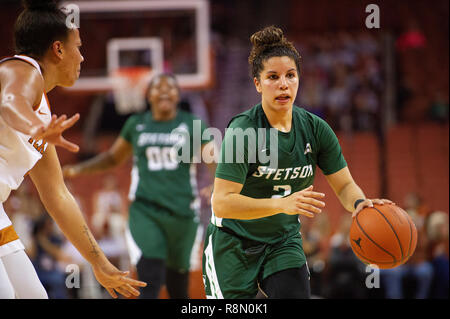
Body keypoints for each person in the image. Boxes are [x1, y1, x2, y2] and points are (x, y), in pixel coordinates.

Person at [202, 26, 393, 299]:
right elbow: (222, 203)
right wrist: (282, 204)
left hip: (283, 241)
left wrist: (361, 205)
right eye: (273, 77)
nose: (283, 84)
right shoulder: (242, 131)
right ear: (257, 83)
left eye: (290, 75)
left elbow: (344, 185)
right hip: (234, 243)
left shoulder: (316, 129)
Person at [0, 0, 146, 299]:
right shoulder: (22, 71)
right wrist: (36, 129)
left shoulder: (40, 108)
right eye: (78, 46)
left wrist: (99, 263)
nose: (81, 57)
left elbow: (58, 196)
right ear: (58, 49)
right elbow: (9, 102)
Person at [63, 73, 217, 298]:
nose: (164, 91)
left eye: (170, 87)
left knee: (178, 286)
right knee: (150, 274)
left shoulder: (192, 124)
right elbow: (113, 158)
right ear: (148, 94)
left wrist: (219, 181)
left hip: (183, 212)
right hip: (146, 210)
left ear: (177, 95)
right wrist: (80, 169)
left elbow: (213, 157)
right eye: (158, 87)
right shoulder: (136, 124)